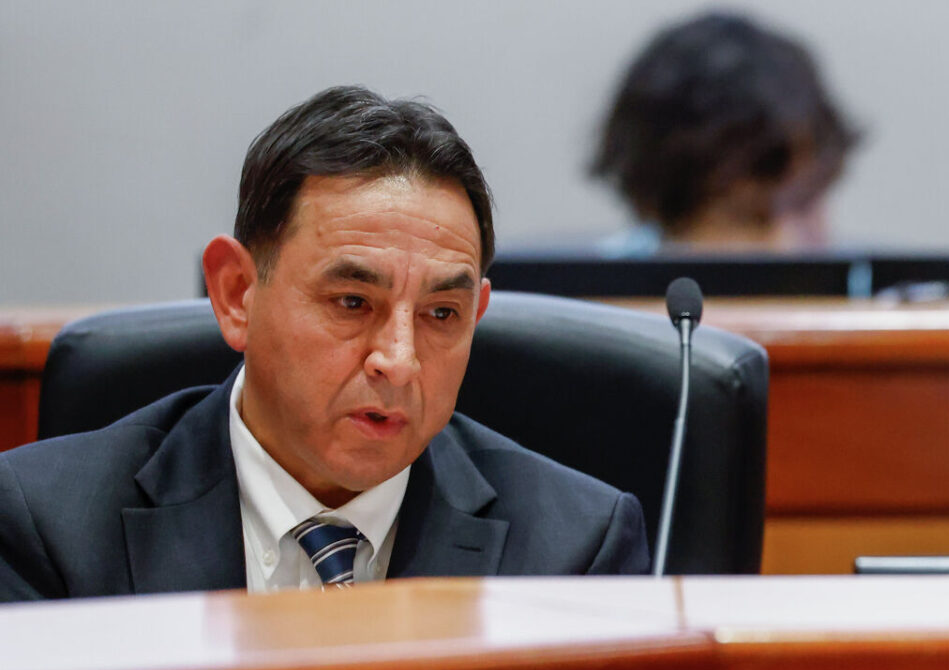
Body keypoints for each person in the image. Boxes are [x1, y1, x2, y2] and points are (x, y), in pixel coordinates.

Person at [0, 86, 650, 601]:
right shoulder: (46, 528)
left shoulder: (575, 553)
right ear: (235, 294)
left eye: (442, 314)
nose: (398, 360)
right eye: (352, 303)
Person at [590, 11, 860, 253]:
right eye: (747, 218)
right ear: (659, 215)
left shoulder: (870, 300)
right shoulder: (589, 300)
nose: (786, 243)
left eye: (804, 205)